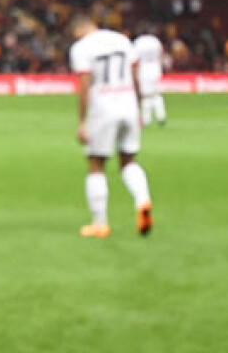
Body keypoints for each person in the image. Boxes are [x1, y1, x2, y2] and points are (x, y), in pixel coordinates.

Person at [69, 15, 153, 238]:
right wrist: (140, 110)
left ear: (78, 31)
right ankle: (143, 201)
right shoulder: (122, 40)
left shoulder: (81, 48)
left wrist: (82, 121)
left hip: (102, 107)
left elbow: (84, 85)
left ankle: (100, 224)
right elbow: (135, 77)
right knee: (129, 161)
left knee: (96, 164)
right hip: (128, 104)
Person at [132, 25, 168, 127]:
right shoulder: (155, 41)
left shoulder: (138, 42)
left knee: (145, 95)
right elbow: (161, 54)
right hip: (155, 69)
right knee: (156, 93)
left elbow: (134, 58)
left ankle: (146, 119)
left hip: (143, 70)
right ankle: (161, 116)